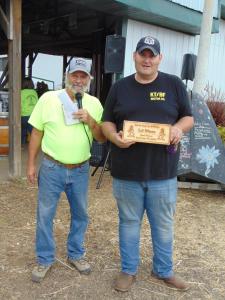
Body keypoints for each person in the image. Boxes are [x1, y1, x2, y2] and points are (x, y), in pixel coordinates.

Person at [102, 36, 194, 292]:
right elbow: (106, 121)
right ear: (134, 56)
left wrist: (177, 128)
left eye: (152, 55)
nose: (147, 59)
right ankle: (128, 270)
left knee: (163, 225)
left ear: (159, 58)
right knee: (129, 223)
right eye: (143, 54)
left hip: (163, 173)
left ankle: (163, 270)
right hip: (126, 173)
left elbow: (188, 118)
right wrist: (114, 137)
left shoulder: (174, 85)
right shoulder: (119, 88)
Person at [27, 57, 106, 283]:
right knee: (45, 215)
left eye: (83, 76)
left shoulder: (94, 103)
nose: (78, 80)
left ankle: (76, 254)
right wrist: (31, 164)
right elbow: (36, 133)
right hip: (52, 167)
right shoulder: (48, 99)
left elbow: (100, 137)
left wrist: (90, 120)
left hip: (81, 169)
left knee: (81, 214)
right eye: (75, 75)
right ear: (67, 76)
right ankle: (44, 259)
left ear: (89, 79)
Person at [21, 77, 39, 145]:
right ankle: (34, 146)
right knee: (33, 132)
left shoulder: (21, 92)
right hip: (33, 115)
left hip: (24, 115)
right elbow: (37, 103)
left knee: (23, 130)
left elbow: (20, 103)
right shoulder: (34, 92)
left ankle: (21, 145)